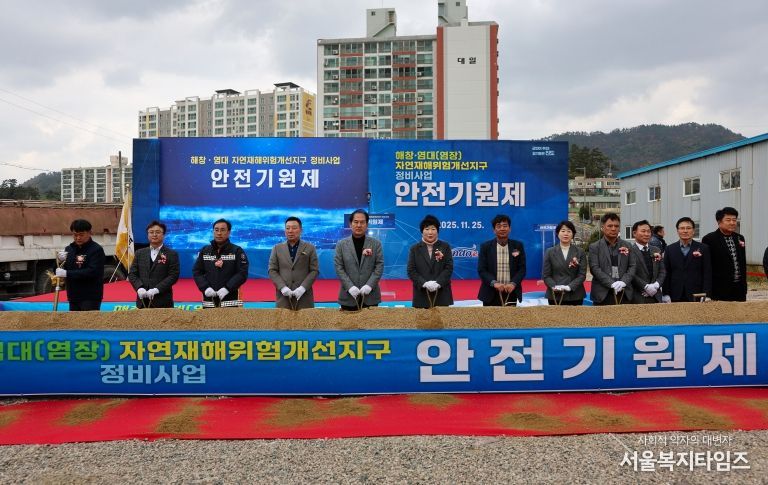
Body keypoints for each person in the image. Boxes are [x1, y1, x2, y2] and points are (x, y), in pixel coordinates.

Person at [334, 209, 384, 310]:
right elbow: (339, 267)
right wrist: (350, 287)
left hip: (371, 296)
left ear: (367, 224)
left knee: (371, 320)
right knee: (348, 320)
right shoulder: (341, 244)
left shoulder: (376, 244)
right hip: (348, 296)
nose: (359, 225)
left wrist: (369, 285)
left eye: (362, 222)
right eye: (356, 222)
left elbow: (379, 266)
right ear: (350, 224)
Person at [192, 218, 249, 306]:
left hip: (231, 299)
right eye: (216, 230)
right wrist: (205, 288)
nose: (219, 233)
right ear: (213, 232)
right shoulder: (205, 250)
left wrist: (227, 288)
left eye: (222, 230)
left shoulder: (237, 251)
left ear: (229, 232)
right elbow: (197, 271)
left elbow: (242, 273)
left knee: (232, 316)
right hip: (209, 300)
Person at [268, 216, 319, 309]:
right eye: (287, 228)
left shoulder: (310, 248)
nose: (290, 231)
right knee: (283, 318)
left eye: (294, 228)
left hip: (304, 296)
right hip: (283, 297)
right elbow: (272, 270)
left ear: (301, 230)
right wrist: (282, 287)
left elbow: (314, 270)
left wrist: (303, 288)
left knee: (305, 319)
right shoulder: (277, 248)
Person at [55, 219, 106, 311]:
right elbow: (59, 270)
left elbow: (93, 272)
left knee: (88, 320)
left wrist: (67, 273)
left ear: (89, 233)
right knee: (74, 320)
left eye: (81, 235)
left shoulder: (96, 250)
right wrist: (59, 262)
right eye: (75, 235)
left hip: (90, 296)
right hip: (73, 296)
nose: (78, 238)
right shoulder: (69, 249)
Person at [127, 220, 180, 308]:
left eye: (158, 232)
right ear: (147, 235)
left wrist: (157, 289)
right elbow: (132, 274)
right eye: (151, 232)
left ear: (163, 235)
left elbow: (173, 276)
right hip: (143, 301)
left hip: (163, 301)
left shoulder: (172, 254)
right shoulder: (140, 253)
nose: (154, 235)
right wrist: (139, 288)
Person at [406, 215, 454, 308]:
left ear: (437, 231)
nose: (430, 232)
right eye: (427, 229)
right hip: (421, 294)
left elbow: (449, 268)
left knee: (442, 317)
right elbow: (411, 270)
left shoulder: (445, 247)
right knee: (422, 318)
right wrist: (424, 283)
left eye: (433, 229)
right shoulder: (414, 249)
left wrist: (438, 283)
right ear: (422, 231)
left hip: (442, 294)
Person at [477, 214, 526, 306]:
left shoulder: (517, 246)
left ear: (510, 229)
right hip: (490, 292)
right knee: (489, 316)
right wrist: (494, 283)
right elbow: (482, 270)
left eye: (505, 226)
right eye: (499, 226)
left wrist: (513, 283)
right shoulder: (485, 247)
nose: (502, 229)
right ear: (494, 230)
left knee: (510, 316)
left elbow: (522, 269)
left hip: (511, 291)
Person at [588, 212, 636, 305]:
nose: (613, 229)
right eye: (610, 226)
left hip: (624, 292)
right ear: (602, 227)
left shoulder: (627, 245)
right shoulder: (594, 247)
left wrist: (623, 282)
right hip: (602, 294)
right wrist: (611, 283)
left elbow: (632, 266)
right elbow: (595, 269)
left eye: (616, 226)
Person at [701, 207, 747, 301]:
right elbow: (706, 266)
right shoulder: (709, 239)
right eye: (728, 220)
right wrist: (707, 292)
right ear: (719, 222)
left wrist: (744, 286)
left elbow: (743, 263)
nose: (732, 223)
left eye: (734, 220)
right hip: (719, 289)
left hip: (739, 288)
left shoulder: (740, 238)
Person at [662, 217, 712, 302]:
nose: (685, 231)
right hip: (675, 293)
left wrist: (707, 294)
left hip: (697, 294)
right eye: (682, 228)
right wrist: (665, 293)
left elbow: (707, 272)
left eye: (688, 228)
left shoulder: (703, 248)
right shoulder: (669, 249)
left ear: (693, 231)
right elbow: (666, 272)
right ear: (677, 231)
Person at [541, 220, 586, 305]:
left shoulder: (580, 252)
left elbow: (582, 275)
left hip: (575, 294)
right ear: (557, 233)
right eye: (563, 231)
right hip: (555, 295)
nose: (566, 234)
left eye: (569, 231)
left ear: (573, 234)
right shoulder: (549, 252)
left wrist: (570, 287)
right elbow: (546, 275)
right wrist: (555, 286)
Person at [629, 220, 666, 304]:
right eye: (643, 231)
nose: (646, 234)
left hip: (656, 296)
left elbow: (662, 271)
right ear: (634, 233)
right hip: (638, 296)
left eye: (649, 231)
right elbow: (630, 273)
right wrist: (645, 287)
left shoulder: (656, 250)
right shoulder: (629, 251)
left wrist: (656, 285)